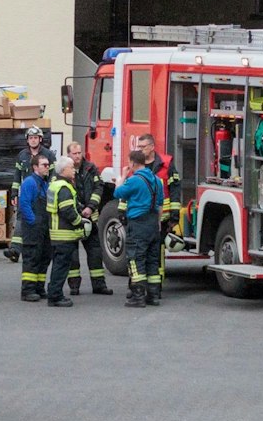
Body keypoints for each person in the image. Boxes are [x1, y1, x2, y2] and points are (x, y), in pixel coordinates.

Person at [111, 148, 165, 308]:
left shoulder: (134, 180)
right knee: (152, 261)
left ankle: (138, 296)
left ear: (133, 163)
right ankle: (153, 296)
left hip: (138, 224)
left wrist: (121, 177)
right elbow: (160, 204)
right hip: (153, 223)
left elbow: (117, 193)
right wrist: (158, 222)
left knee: (136, 260)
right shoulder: (157, 180)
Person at [135, 132, 180, 305]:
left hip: (161, 217)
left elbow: (175, 188)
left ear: (152, 147)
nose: (140, 150)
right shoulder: (137, 165)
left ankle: (156, 287)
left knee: (157, 253)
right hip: (141, 217)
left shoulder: (166, 164)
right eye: (138, 147)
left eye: (143, 147)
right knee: (141, 252)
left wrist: (174, 217)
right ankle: (142, 286)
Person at [65, 141, 112, 296]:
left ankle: (99, 285)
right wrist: (80, 210)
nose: (78, 156)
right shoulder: (64, 170)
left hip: (90, 217)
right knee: (72, 255)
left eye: (79, 153)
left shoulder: (90, 168)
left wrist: (90, 207)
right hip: (73, 219)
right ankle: (74, 286)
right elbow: (67, 195)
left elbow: (99, 188)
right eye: (75, 153)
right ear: (68, 155)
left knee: (95, 252)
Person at [6, 128, 54, 262]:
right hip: (27, 193)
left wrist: (48, 192)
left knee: (42, 220)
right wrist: (14, 194)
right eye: (31, 138)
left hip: (42, 194)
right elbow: (17, 176)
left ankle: (45, 248)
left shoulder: (48, 155)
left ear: (40, 139)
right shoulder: (22, 155)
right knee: (21, 219)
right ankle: (14, 250)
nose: (33, 140)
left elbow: (53, 176)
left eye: (35, 137)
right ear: (27, 140)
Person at [45, 156, 86, 307]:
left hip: (56, 234)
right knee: (61, 267)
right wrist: (79, 222)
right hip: (64, 234)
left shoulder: (54, 185)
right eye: (71, 168)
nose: (74, 170)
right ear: (63, 170)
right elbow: (67, 210)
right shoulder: (63, 187)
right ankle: (55, 296)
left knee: (58, 266)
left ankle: (53, 292)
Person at [17, 154, 52, 301]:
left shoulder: (44, 183)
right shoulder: (29, 182)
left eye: (48, 164)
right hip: (33, 229)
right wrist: (33, 222)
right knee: (32, 258)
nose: (47, 167)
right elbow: (24, 204)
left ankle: (39, 287)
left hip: (43, 228)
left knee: (44, 257)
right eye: (44, 165)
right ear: (35, 167)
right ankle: (27, 290)